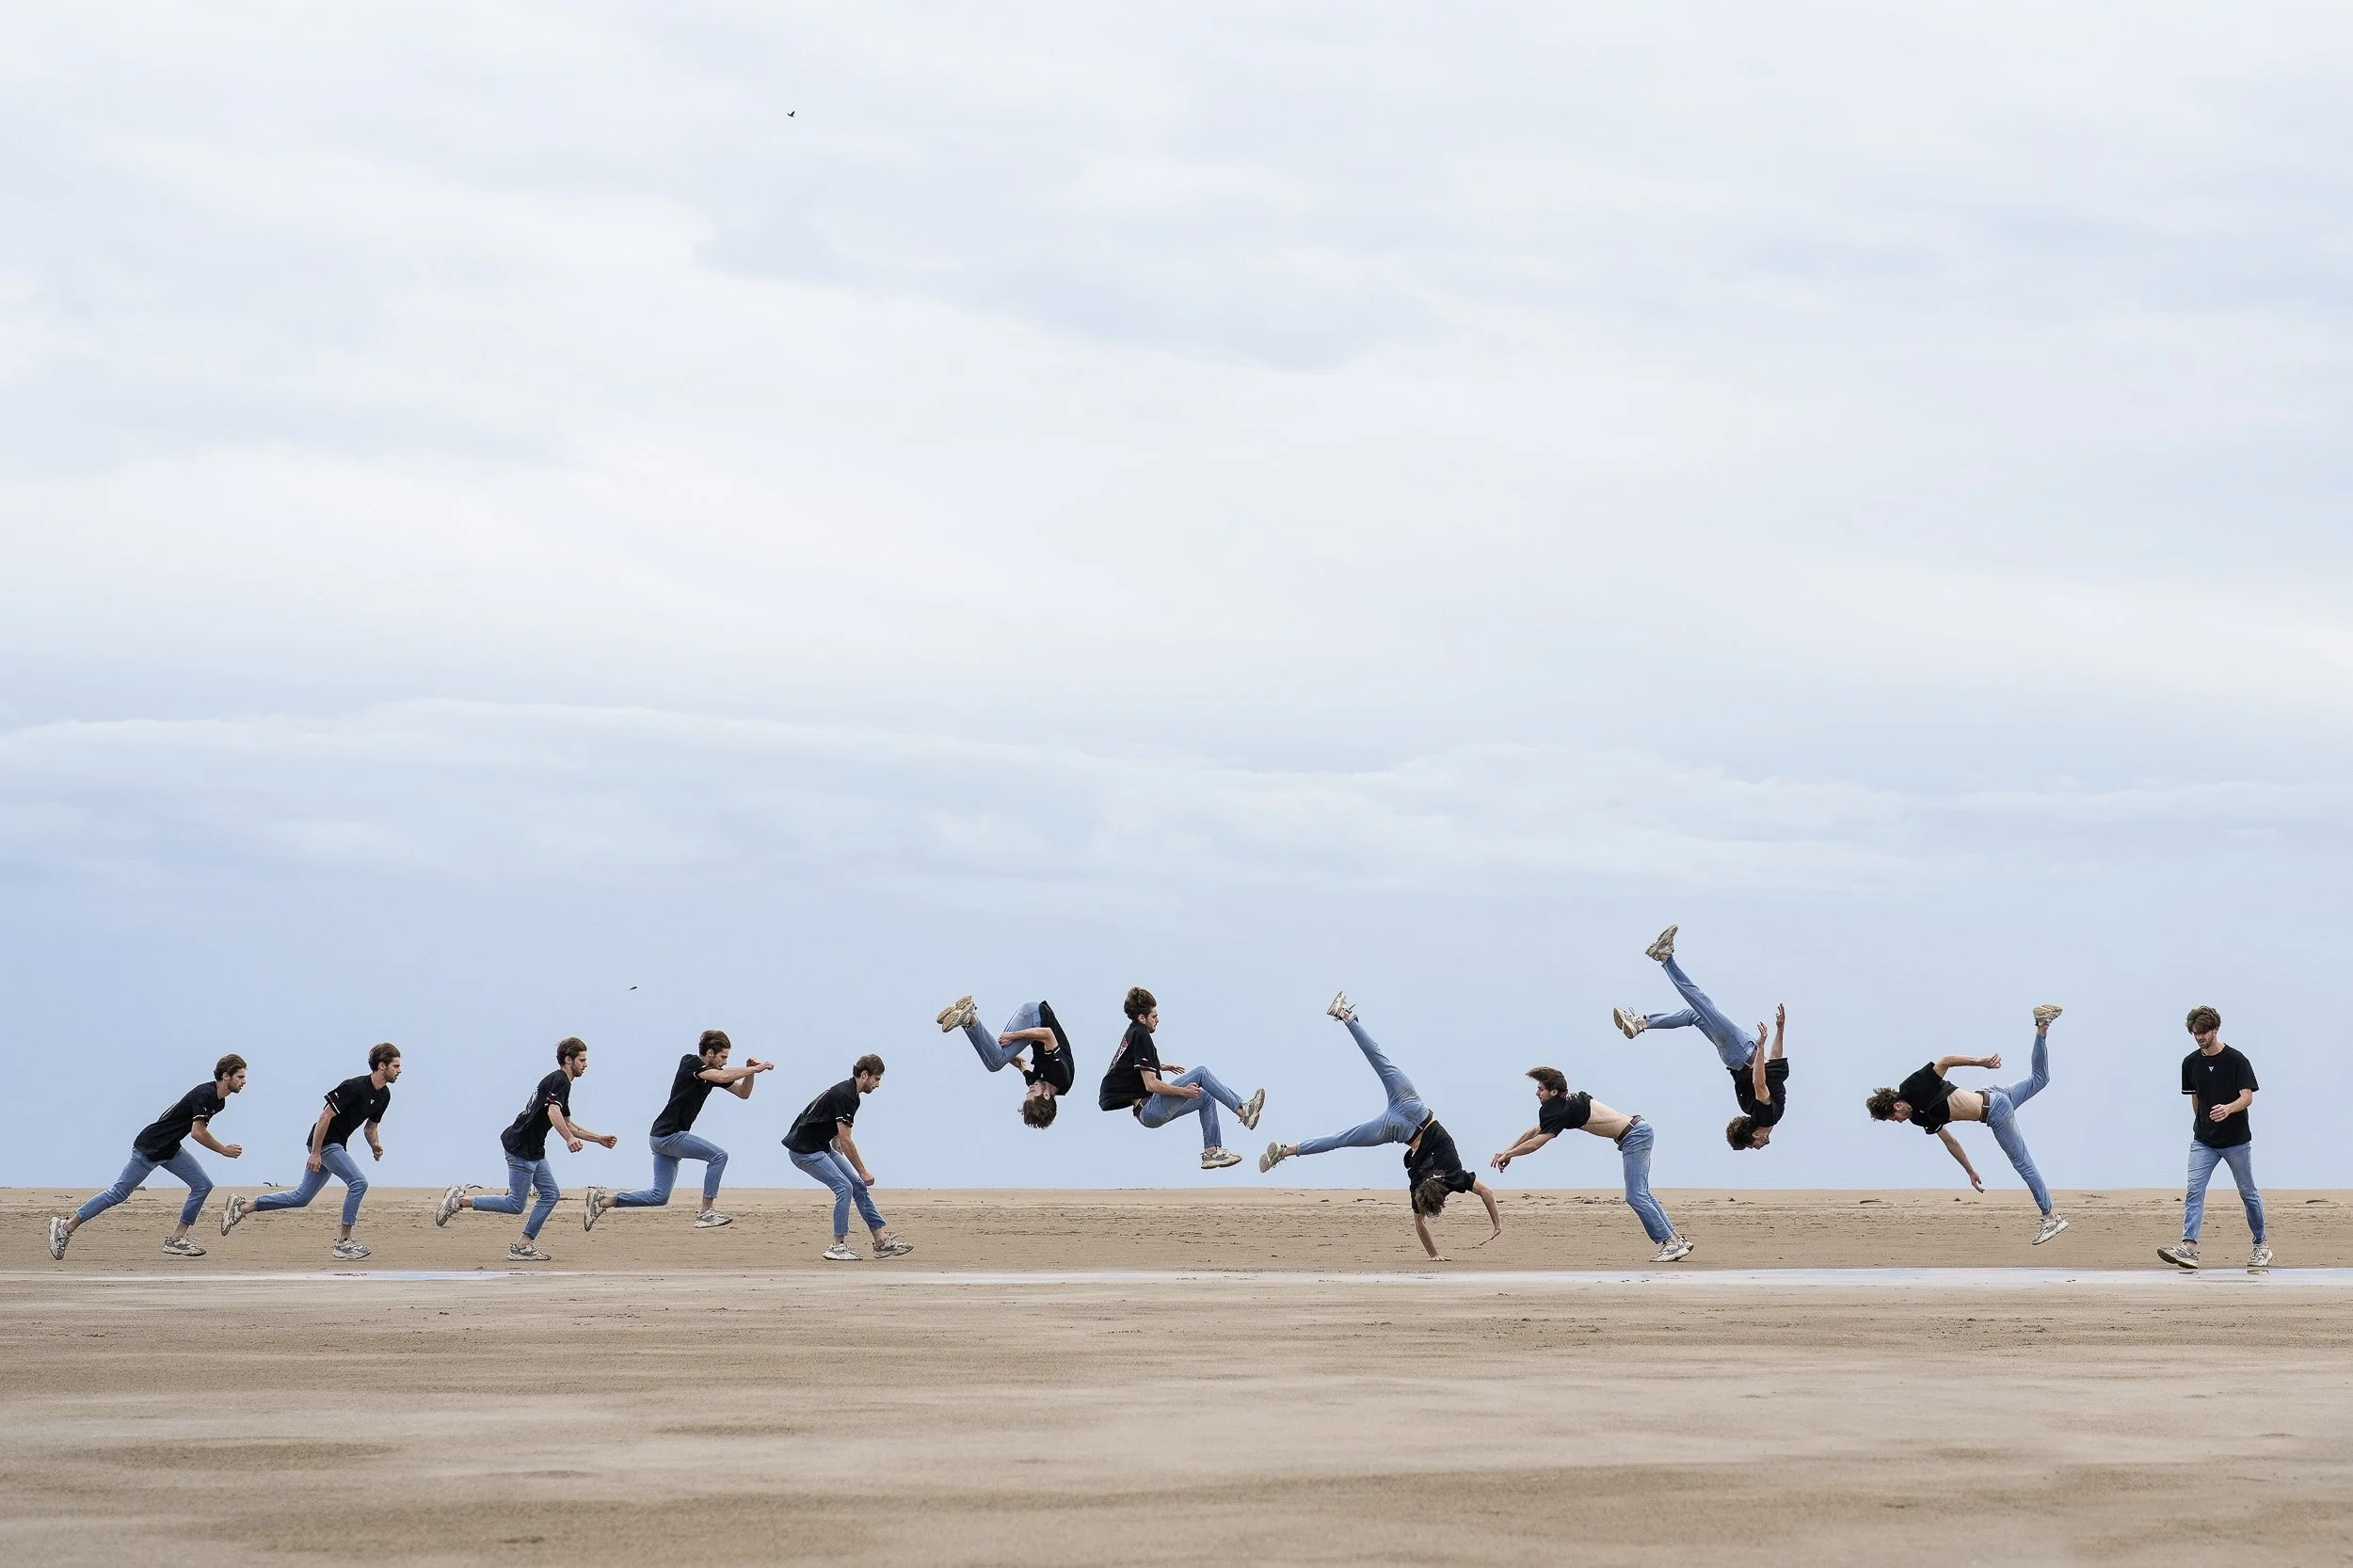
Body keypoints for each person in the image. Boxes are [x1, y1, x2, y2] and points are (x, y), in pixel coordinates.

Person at [1259, 992, 1501, 1261]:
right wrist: (1434, 1255)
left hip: (1414, 1108)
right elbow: (1420, 1224)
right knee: (1344, 1138)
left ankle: (1346, 1016)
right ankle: (1285, 1150)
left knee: (1378, 1059)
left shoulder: (1456, 1176)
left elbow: (1487, 1193)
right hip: (1399, 1130)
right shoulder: (1418, 1185)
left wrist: (1497, 1225)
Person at [1866, 1006, 2069, 1244]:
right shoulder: (1917, 1117)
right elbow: (1950, 1141)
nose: (1897, 1122)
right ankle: (2042, 1028)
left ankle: (2050, 1217)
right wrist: (1970, 1170)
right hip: (1993, 1097)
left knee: (2023, 1164)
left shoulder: (1912, 1087)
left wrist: (1980, 1062)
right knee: (2040, 1079)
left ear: (1897, 1106)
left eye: (1893, 1118)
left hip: (1994, 1110)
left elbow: (1945, 1062)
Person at [435, 1036, 616, 1262]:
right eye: (582, 1060)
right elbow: (553, 1113)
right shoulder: (559, 1080)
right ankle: (460, 1201)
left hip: (533, 1149)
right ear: (568, 1060)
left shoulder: (560, 1083)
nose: (586, 1065)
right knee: (515, 1204)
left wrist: (598, 1138)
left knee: (551, 1194)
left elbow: (568, 1122)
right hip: (521, 1147)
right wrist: (568, 1139)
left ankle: (523, 1246)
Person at [50, 1055, 248, 1260]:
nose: (244, 1081)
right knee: (118, 1193)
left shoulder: (219, 1102)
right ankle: (65, 1227)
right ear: (226, 1076)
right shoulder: (204, 1094)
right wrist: (223, 1150)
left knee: (203, 1184)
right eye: (240, 1077)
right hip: (150, 1149)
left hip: (170, 1149)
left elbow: (178, 1114)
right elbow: (197, 1133)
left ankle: (177, 1239)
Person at [1490, 1066, 1694, 1262]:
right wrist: (1507, 1151)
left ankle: (1669, 1242)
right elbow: (1533, 1132)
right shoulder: (1562, 1106)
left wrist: (1511, 1154)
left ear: (1554, 1091)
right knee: (1643, 1193)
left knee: (1635, 1196)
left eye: (1540, 1089)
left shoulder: (1559, 1111)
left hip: (1635, 1136)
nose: (1537, 1093)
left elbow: (1535, 1144)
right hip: (1638, 1131)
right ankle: (1676, 1240)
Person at [1614, 924, 1788, 1151]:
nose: (1763, 1143)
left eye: (1757, 1144)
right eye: (1759, 1144)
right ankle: (1641, 1023)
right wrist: (1780, 1029)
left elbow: (1759, 1083)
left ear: (1755, 1133)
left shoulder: (1766, 1116)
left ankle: (1665, 957)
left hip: (1742, 1051)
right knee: (1694, 1015)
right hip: (1737, 1055)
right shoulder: (1758, 1112)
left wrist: (1761, 1045)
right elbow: (1774, 1063)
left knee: (1700, 1002)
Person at [220, 1043, 400, 1259]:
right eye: (396, 1066)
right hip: (324, 1143)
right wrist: (316, 1153)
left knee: (302, 1197)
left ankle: (243, 1207)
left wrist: (375, 1146)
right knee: (359, 1183)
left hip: (334, 1145)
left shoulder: (384, 1096)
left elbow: (370, 1127)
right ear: (382, 1066)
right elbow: (324, 1117)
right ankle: (343, 1242)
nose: (400, 1071)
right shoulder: (354, 1086)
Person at [584, 1030, 773, 1233]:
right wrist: (758, 1068)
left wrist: (750, 1072)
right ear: (710, 1053)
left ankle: (602, 1201)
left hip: (662, 1138)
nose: (725, 1061)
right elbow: (719, 1075)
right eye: (723, 1057)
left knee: (660, 1196)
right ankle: (706, 1212)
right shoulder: (691, 1062)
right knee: (719, 1156)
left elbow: (743, 1093)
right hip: (669, 1135)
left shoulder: (713, 1074)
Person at [1096, 986, 1264, 1170]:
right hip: (1151, 1109)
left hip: (1147, 1113)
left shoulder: (1132, 1032)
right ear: (1142, 1018)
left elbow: (1130, 1066)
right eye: (1154, 1016)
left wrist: (1161, 1066)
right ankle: (1243, 1110)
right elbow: (1151, 1084)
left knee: (1206, 1098)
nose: (1158, 1020)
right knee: (1201, 1072)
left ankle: (1211, 1152)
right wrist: (1183, 1091)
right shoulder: (1142, 1035)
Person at [2159, 1005, 2268, 1272]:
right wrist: (2201, 1123)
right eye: (2195, 1033)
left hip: (2236, 1141)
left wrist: (2228, 1109)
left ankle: (2261, 1244)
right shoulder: (2190, 1063)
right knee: (2194, 1191)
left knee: (2248, 1193)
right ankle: (2188, 1248)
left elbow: (2248, 1096)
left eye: (2204, 1032)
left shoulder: (2236, 1060)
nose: (2199, 1037)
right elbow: (2195, 1096)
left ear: (2215, 1030)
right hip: (2203, 1142)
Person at [783, 1054, 914, 1261]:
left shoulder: (851, 1094)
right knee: (845, 1187)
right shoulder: (845, 1094)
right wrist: (862, 1170)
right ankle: (837, 1247)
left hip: (821, 1147)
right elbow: (846, 1138)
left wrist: (836, 1147)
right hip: (804, 1151)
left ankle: (881, 1242)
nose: (878, 1085)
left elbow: (835, 1128)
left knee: (858, 1186)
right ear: (864, 1074)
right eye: (877, 1079)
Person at [936, 995, 1075, 1128]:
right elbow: (1048, 1034)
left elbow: (1021, 1063)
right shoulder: (1061, 1076)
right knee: (997, 1061)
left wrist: (991, 1049)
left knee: (992, 1064)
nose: (1030, 1088)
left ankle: (966, 1021)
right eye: (1033, 1091)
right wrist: (1013, 1037)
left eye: (1028, 1092)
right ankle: (970, 1016)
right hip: (1036, 1016)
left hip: (1031, 1020)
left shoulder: (1034, 1082)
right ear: (1045, 1095)